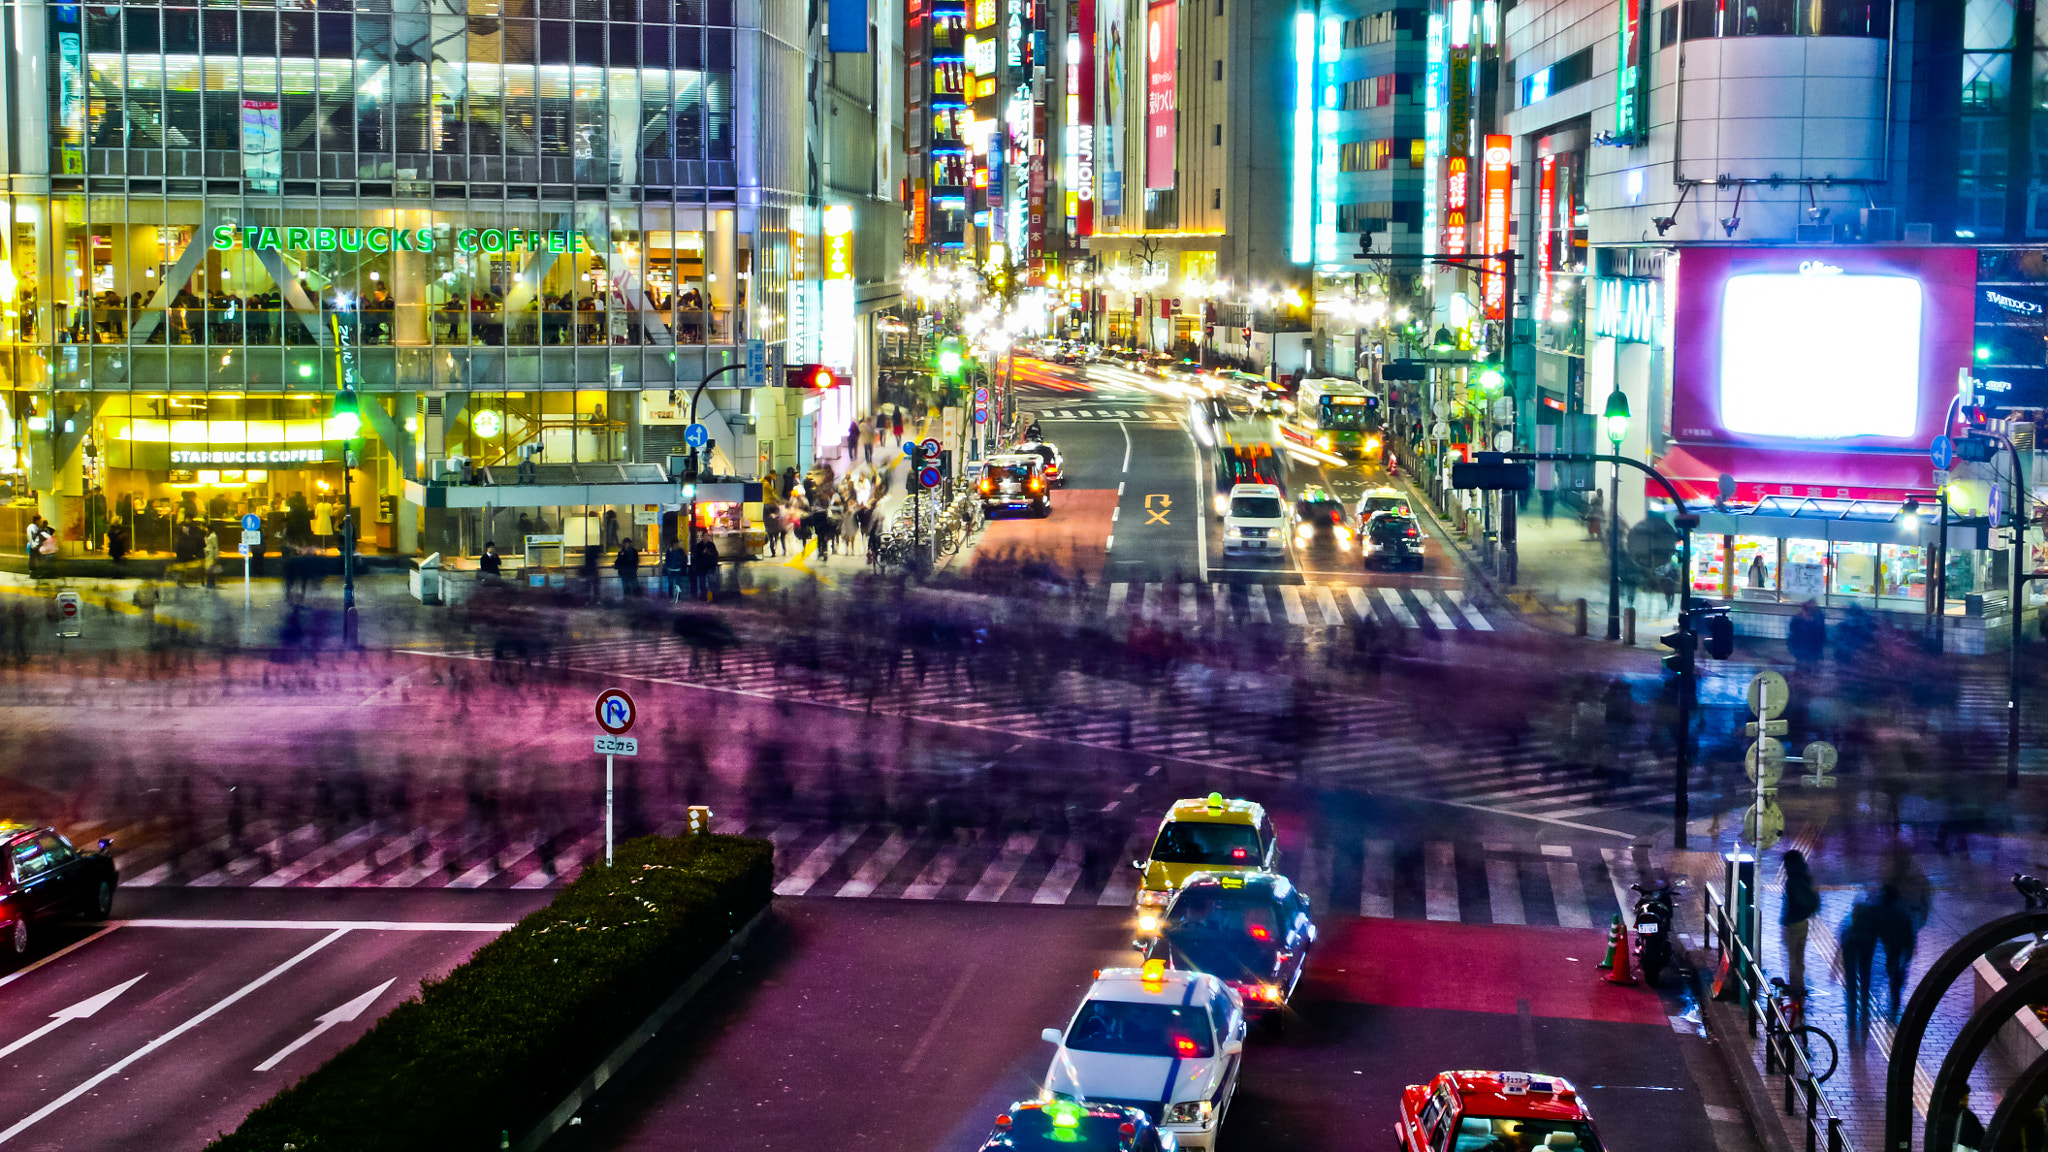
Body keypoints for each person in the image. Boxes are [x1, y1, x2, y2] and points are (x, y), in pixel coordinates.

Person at [1781, 850, 1820, 995]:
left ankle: (1795, 987)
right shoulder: (1806, 876)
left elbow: (1790, 903)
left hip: (1793, 923)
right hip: (1804, 921)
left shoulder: (1792, 880)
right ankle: (1800, 984)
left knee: (1792, 956)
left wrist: (1785, 921)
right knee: (1800, 956)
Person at [691, 535, 720, 601]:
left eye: (707, 536)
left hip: (710, 566)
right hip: (702, 567)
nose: (706, 538)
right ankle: (703, 596)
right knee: (702, 582)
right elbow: (696, 556)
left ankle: (713, 596)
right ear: (702, 537)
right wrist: (702, 553)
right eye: (705, 536)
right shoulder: (699, 546)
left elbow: (715, 554)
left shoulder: (711, 545)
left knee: (711, 581)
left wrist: (710, 554)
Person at [203, 525, 220, 589]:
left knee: (210, 569)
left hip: (211, 554)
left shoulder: (213, 536)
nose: (205, 529)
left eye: (206, 528)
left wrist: (216, 556)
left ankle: (210, 582)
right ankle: (209, 582)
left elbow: (216, 546)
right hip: (207, 554)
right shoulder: (208, 535)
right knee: (208, 569)